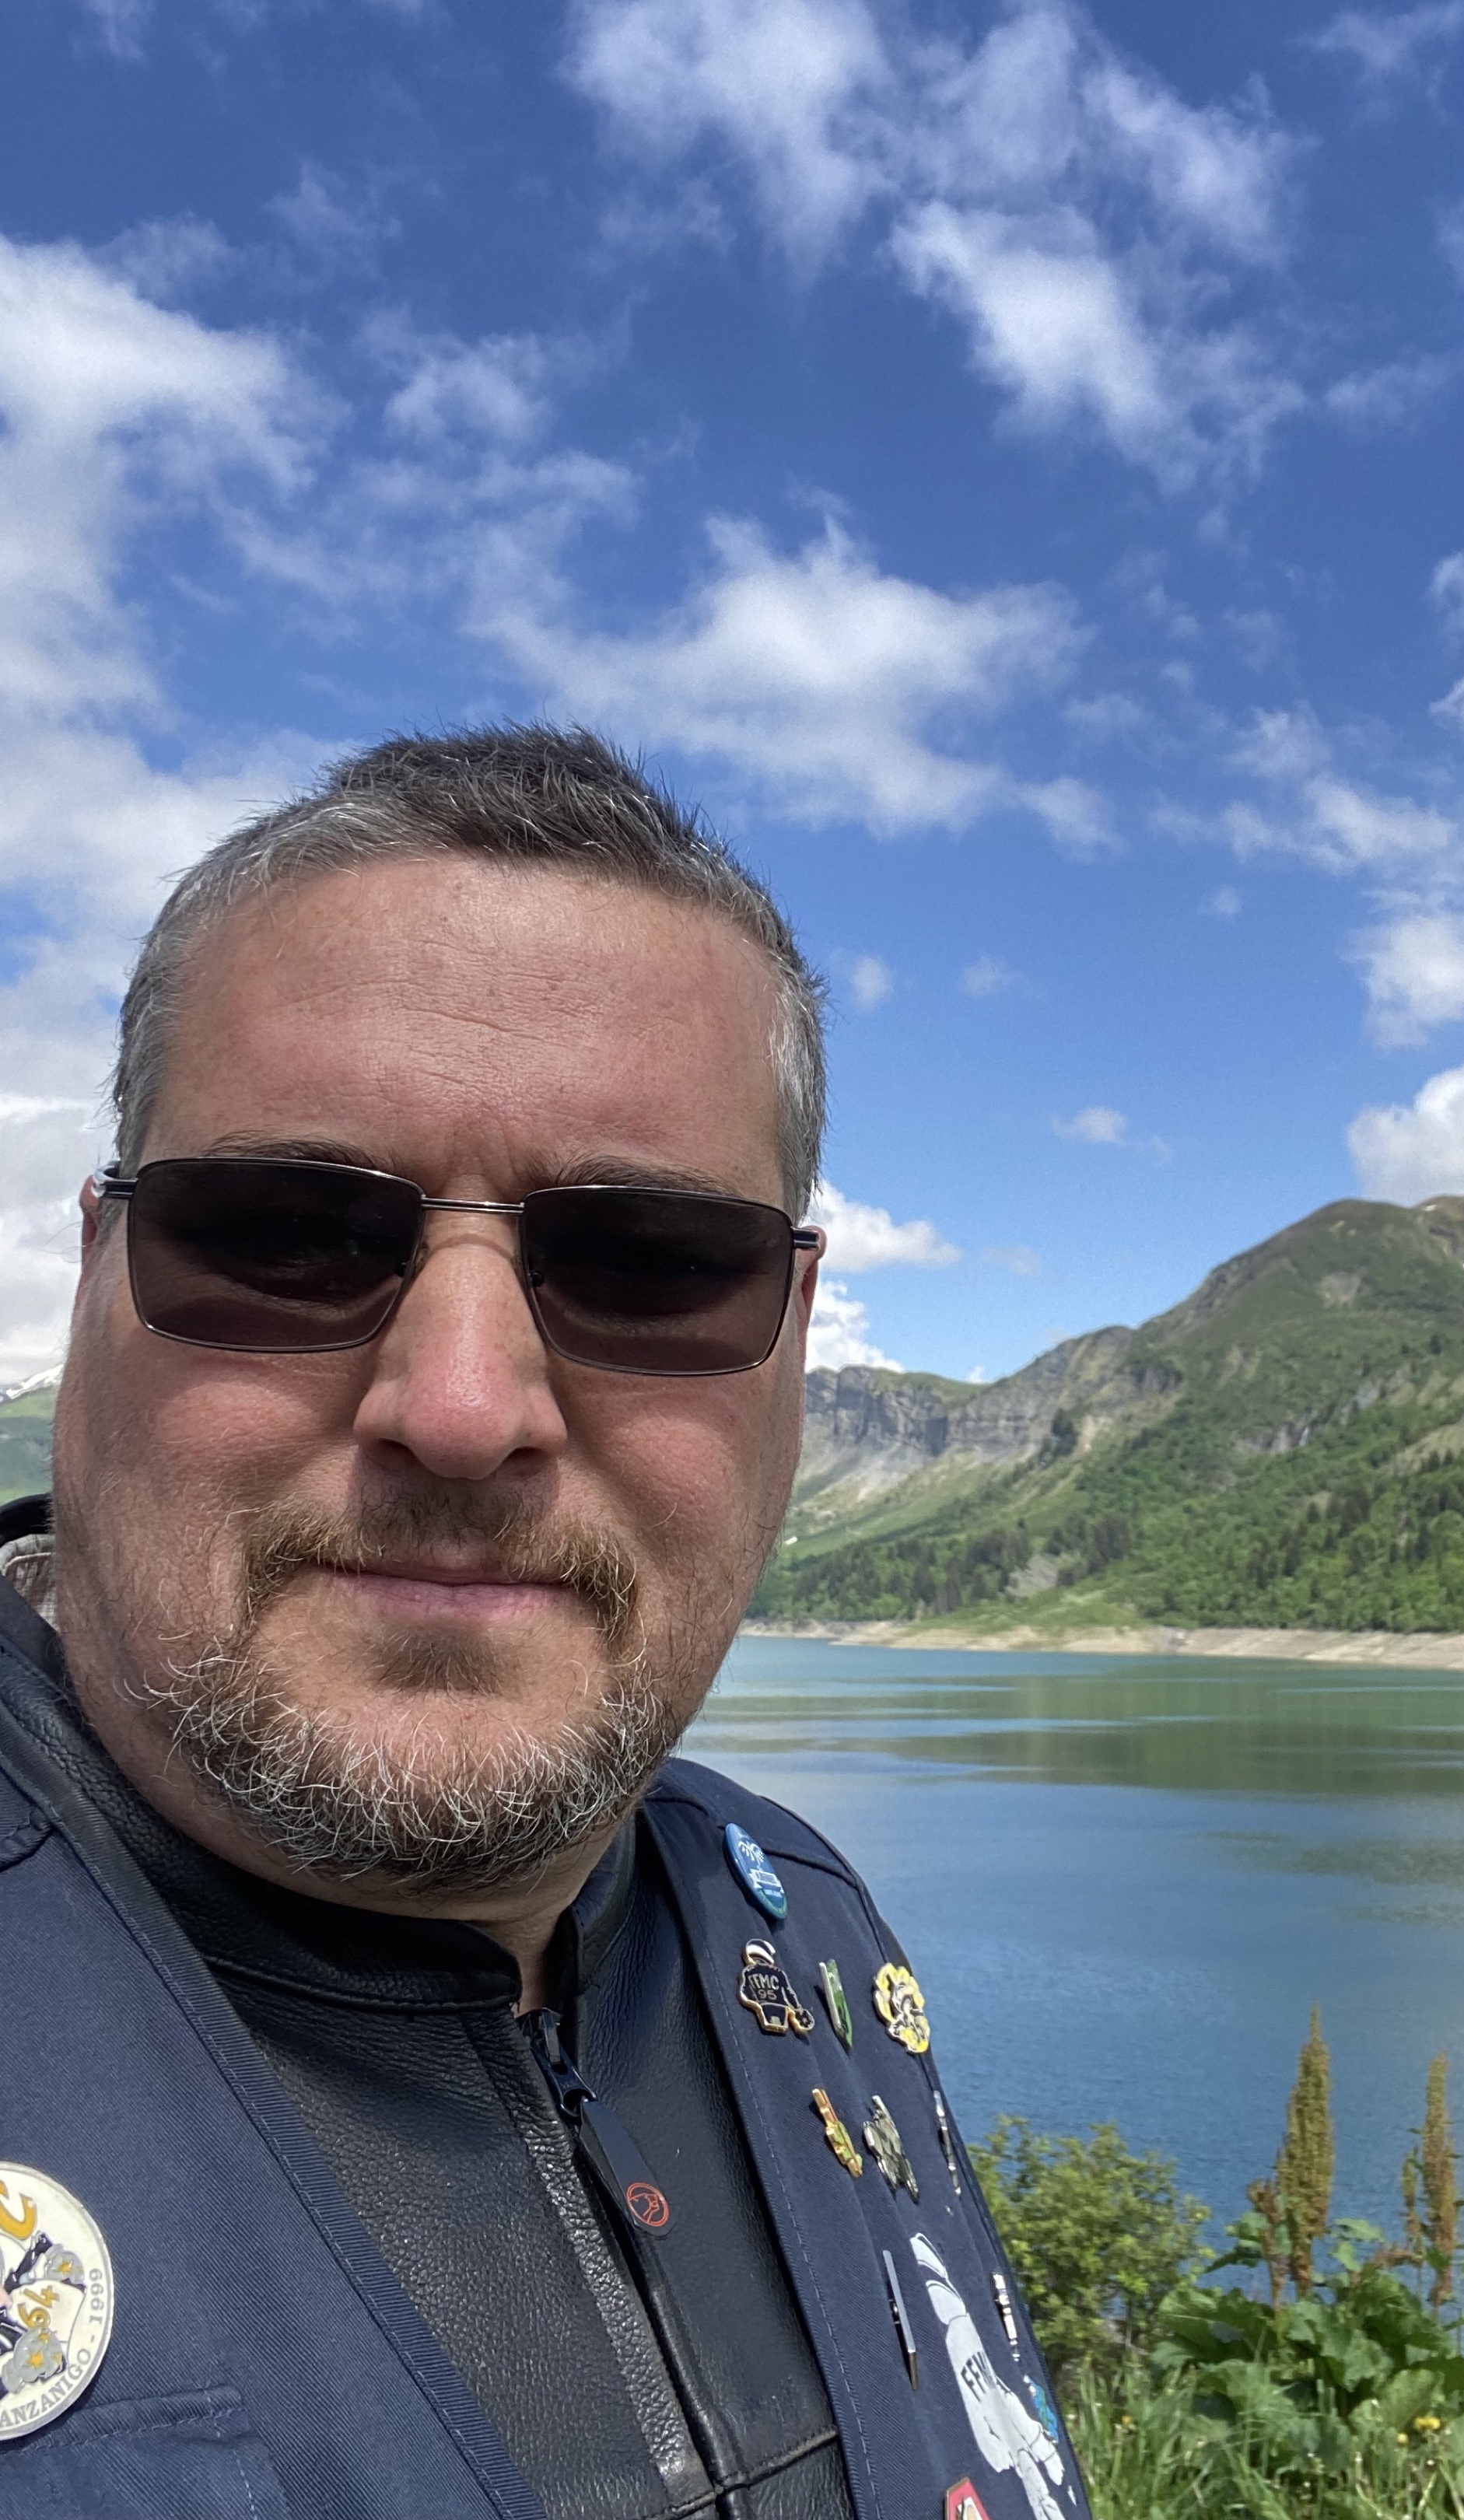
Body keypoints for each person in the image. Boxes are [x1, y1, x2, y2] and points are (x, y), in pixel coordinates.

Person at [0, 728, 1083, 2520]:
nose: (461, 1406)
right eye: (285, 1232)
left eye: (650, 1263)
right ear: (98, 1274)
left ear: (794, 1339)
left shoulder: (802, 1927)